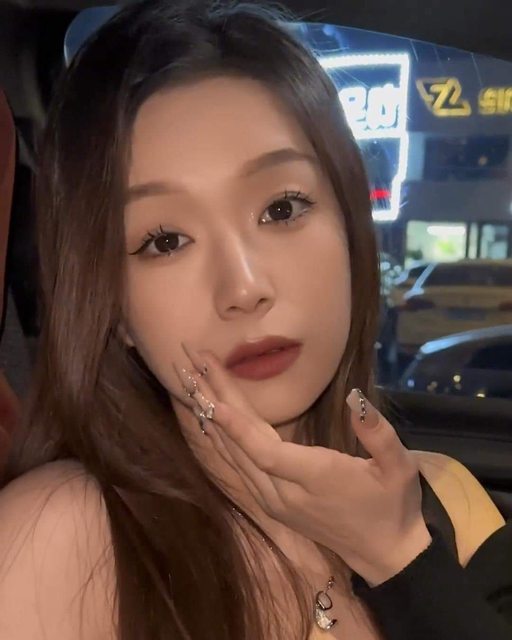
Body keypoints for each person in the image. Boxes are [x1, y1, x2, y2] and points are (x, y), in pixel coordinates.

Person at [0, 1, 511, 639]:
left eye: (282, 209)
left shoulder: (444, 498)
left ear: (351, 231)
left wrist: (401, 559)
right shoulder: (52, 543)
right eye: (164, 241)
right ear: (115, 309)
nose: (243, 288)